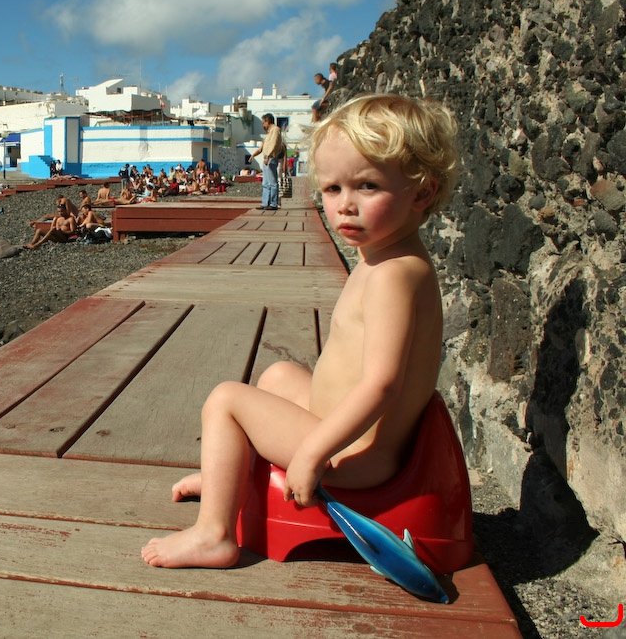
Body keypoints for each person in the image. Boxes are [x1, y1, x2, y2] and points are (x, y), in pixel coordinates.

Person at [141, 94, 460, 569]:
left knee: (226, 400)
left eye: (367, 186)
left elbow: (382, 384)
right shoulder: (388, 258)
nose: (345, 205)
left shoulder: (394, 275)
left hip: (358, 456)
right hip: (351, 435)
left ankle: (214, 534)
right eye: (332, 188)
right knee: (277, 375)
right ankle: (229, 478)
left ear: (422, 193)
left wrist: (313, 452)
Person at [250, 113, 284, 211]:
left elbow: (273, 144)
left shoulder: (275, 130)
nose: (263, 125)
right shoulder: (269, 133)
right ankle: (265, 203)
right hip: (267, 158)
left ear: (267, 121)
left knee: (272, 182)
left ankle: (273, 203)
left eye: (263, 122)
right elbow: (263, 146)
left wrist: (268, 156)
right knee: (266, 183)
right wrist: (254, 155)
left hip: (270, 158)